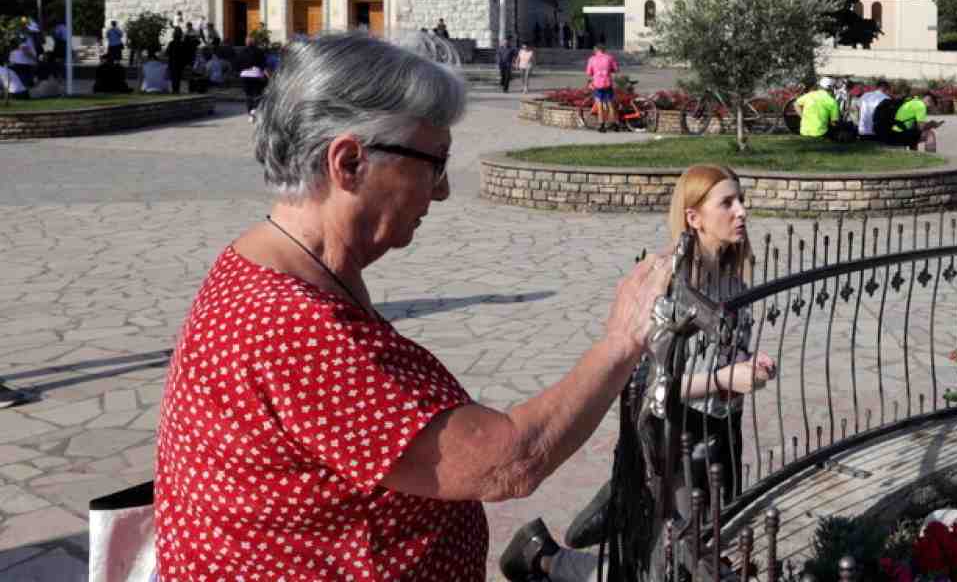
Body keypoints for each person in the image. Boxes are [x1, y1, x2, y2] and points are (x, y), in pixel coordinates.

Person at [151, 33, 673, 580]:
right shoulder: (289, 325)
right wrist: (623, 338)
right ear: (349, 161)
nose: (443, 191)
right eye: (435, 163)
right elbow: (508, 462)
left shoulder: (278, 263)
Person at [500, 165, 778, 582]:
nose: (742, 212)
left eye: (741, 201)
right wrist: (724, 379)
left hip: (719, 435)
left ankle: (543, 552)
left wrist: (750, 365)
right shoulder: (668, 283)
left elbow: (724, 357)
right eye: (728, 203)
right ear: (693, 217)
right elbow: (654, 384)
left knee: (685, 554)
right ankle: (551, 555)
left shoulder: (734, 282)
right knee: (676, 560)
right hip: (669, 437)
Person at [584, 43, 619, 131]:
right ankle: (614, 124)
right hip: (607, 84)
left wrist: (595, 73)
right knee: (610, 104)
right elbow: (616, 69)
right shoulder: (609, 58)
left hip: (597, 84)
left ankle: (601, 125)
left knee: (599, 105)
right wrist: (608, 70)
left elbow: (588, 73)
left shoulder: (592, 59)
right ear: (604, 50)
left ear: (596, 50)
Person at [237, 40, 269, 119]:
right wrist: (267, 76)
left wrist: (240, 72)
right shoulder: (259, 51)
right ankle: (254, 109)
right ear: (254, 43)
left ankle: (250, 112)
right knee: (257, 94)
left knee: (248, 95)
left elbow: (237, 64)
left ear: (246, 43)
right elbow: (263, 65)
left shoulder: (242, 52)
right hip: (256, 74)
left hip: (244, 75)